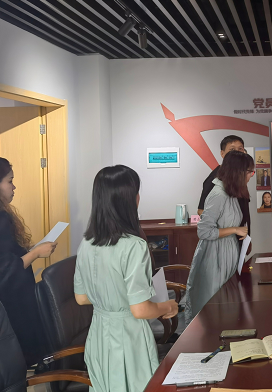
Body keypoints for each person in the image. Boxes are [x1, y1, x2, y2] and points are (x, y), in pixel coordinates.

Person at [73, 165, 178, 392]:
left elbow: (81, 298)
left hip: (98, 336)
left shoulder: (86, 243)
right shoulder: (134, 246)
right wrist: (167, 306)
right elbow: (140, 310)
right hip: (129, 338)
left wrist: (112, 299)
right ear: (129, 200)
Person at [0, 156, 57, 366]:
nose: (14, 187)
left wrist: (32, 251)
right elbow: (3, 272)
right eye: (10, 181)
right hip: (10, 303)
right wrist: (36, 253)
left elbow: (1, 258)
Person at [183, 151, 254, 324]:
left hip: (227, 252)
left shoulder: (231, 192)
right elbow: (204, 231)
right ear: (238, 172)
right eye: (249, 171)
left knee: (229, 304)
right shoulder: (218, 195)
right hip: (216, 256)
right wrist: (234, 229)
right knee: (218, 307)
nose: (252, 175)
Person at [197, 135, 245, 215]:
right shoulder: (214, 178)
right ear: (222, 154)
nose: (237, 153)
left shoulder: (239, 175)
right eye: (232, 150)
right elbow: (201, 211)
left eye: (240, 149)